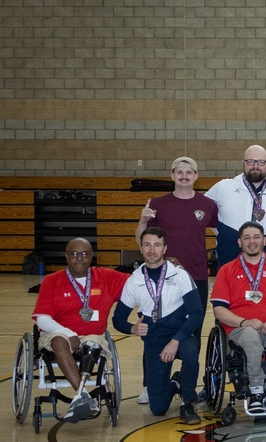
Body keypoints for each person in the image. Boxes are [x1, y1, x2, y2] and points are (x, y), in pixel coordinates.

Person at [135, 156, 218, 404]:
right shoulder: (157, 204)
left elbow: (220, 232)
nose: (184, 176)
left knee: (193, 330)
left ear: (196, 176)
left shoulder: (208, 204)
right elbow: (141, 239)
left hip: (196, 279)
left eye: (188, 172)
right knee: (154, 329)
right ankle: (150, 384)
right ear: (172, 176)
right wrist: (141, 220)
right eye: (179, 172)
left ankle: (187, 383)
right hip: (162, 279)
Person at [30, 238, 129, 423]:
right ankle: (82, 394)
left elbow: (138, 281)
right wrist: (69, 334)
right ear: (66, 256)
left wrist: (167, 267)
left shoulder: (106, 277)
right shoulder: (52, 281)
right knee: (59, 341)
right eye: (74, 254)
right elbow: (42, 318)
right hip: (57, 334)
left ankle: (81, 400)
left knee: (92, 344)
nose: (79, 258)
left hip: (92, 335)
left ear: (91, 256)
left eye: (84, 254)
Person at [113, 227, 203, 425]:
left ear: (165, 248)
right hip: (154, 340)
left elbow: (197, 313)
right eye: (147, 245)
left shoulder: (179, 275)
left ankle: (187, 403)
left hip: (181, 334)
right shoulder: (134, 281)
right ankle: (176, 381)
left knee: (190, 352)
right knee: (158, 408)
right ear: (141, 248)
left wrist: (175, 341)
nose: (152, 250)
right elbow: (117, 319)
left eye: (157, 245)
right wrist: (132, 328)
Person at [209, 221, 266, 414]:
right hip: (239, 329)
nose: (252, 242)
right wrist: (244, 322)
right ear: (239, 242)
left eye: (256, 237)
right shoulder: (227, 270)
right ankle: (256, 390)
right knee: (250, 336)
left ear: (264, 241)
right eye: (247, 238)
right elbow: (219, 310)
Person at [206, 144, 266, 267]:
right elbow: (200, 211)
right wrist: (221, 231)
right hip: (229, 264)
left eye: (261, 162)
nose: (255, 166)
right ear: (243, 162)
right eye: (250, 161)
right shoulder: (223, 187)